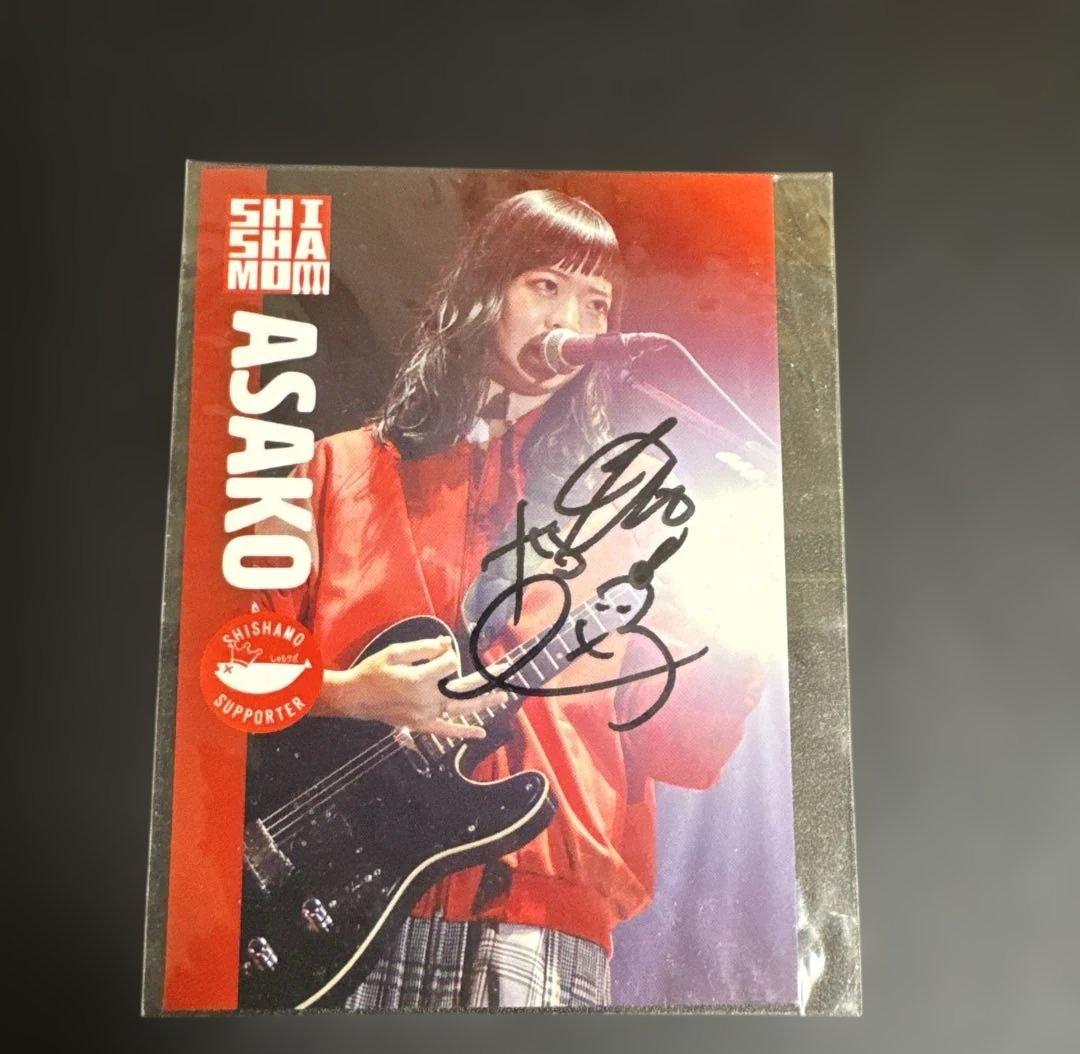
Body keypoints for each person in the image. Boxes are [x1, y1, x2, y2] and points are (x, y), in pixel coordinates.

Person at [258, 189, 763, 1008]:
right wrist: (346, 692)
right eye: (546, 285)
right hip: (335, 909)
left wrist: (737, 643)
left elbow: (683, 748)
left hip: (544, 922)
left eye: (597, 303)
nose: (573, 319)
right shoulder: (335, 470)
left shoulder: (623, 513)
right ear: (481, 291)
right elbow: (226, 677)